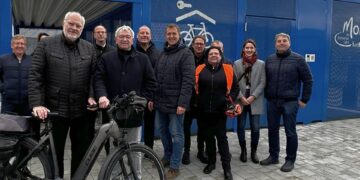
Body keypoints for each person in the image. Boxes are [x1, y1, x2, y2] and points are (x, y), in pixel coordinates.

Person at [28, 11, 97, 178]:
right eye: (71, 24)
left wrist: (92, 95)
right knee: (54, 153)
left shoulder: (89, 48)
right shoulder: (46, 45)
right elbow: (35, 75)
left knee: (81, 152)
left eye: (78, 25)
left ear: (82, 28)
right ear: (63, 24)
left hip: (81, 111)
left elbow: (94, 76)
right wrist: (37, 103)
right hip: (55, 109)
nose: (74, 28)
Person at [94, 25, 156, 178]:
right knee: (115, 151)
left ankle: (136, 177)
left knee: (134, 149)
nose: (124, 39)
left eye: (127, 36)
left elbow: (151, 82)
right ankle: (116, 177)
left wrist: (142, 100)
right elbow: (99, 79)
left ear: (132, 39)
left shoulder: (143, 59)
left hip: (134, 114)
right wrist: (102, 95)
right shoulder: (106, 58)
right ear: (115, 39)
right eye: (121, 36)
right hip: (112, 112)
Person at [260, 33, 313, 172]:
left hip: (289, 102)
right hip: (272, 101)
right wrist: (266, 95)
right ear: (275, 44)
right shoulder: (270, 60)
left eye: (284, 40)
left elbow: (308, 80)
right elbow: (265, 80)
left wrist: (304, 99)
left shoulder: (298, 60)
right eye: (279, 41)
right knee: (272, 130)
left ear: (289, 43)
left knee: (290, 132)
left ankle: (290, 160)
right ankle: (273, 156)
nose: (282, 43)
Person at [150, 23, 195, 179]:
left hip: (176, 104)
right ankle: (167, 156)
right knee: (162, 131)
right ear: (165, 35)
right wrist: (152, 99)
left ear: (179, 35)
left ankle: (175, 166)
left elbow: (188, 80)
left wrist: (183, 103)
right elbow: (155, 79)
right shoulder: (163, 54)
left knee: (177, 134)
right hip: (161, 102)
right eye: (168, 34)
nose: (171, 36)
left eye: (174, 34)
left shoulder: (186, 53)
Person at [195, 46, 240, 180]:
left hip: (220, 111)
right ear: (207, 56)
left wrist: (229, 99)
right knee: (209, 139)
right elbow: (195, 88)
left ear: (220, 56)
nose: (214, 55)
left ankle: (227, 168)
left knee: (222, 139)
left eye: (216, 53)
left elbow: (236, 88)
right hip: (204, 112)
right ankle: (211, 163)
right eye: (211, 53)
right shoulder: (200, 69)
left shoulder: (228, 69)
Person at [233, 39, 265, 164]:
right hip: (241, 99)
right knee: (240, 126)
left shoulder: (261, 64)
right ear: (243, 49)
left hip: (255, 99)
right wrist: (241, 97)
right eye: (247, 47)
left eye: (251, 47)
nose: (249, 50)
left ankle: (253, 152)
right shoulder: (237, 63)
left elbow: (263, 82)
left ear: (255, 49)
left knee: (255, 128)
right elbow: (234, 83)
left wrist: (253, 96)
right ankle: (243, 151)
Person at [89, 25, 115, 155]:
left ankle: (108, 150)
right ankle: (90, 150)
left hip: (107, 94)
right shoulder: (88, 50)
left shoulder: (113, 51)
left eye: (103, 32)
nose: (100, 34)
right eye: (98, 32)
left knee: (108, 122)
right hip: (91, 93)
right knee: (89, 123)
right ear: (94, 35)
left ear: (106, 34)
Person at [182, 35, 208, 165]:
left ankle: (200, 151)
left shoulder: (208, 57)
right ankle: (186, 151)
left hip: (203, 99)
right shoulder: (186, 55)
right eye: (196, 43)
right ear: (192, 44)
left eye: (201, 44)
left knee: (202, 127)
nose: (199, 46)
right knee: (185, 127)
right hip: (188, 99)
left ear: (204, 45)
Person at [135, 25, 160, 150]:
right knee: (134, 124)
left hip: (150, 97)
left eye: (147, 33)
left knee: (149, 125)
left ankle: (148, 149)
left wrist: (152, 98)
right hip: (135, 95)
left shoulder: (158, 53)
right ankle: (133, 150)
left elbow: (158, 77)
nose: (144, 35)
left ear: (150, 36)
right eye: (142, 33)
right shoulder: (132, 51)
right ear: (137, 36)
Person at [0, 35, 31, 115]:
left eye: (22, 43)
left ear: (25, 46)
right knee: (8, 126)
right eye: (17, 43)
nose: (19, 46)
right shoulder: (3, 59)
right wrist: (3, 88)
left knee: (28, 126)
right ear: (12, 45)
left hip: (27, 103)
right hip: (8, 103)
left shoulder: (32, 60)